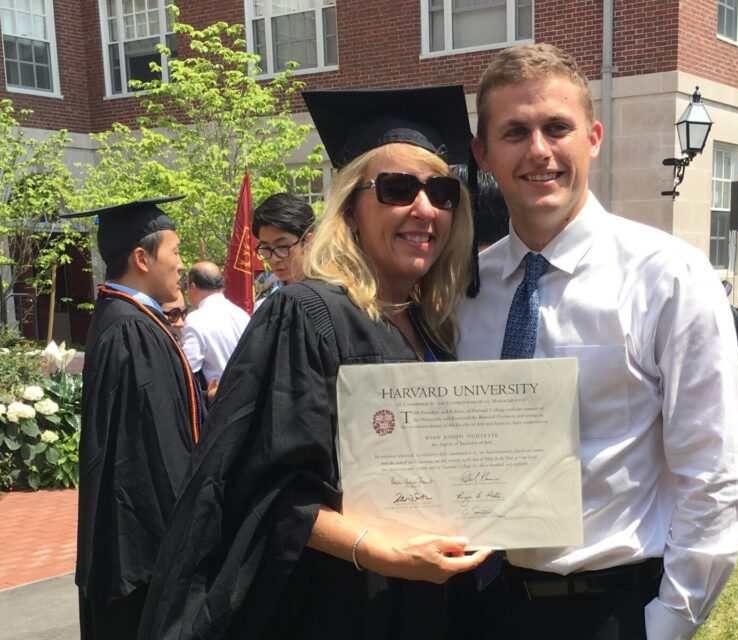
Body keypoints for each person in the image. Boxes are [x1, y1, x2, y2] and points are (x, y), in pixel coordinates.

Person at [138, 85, 490, 640]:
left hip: (428, 599)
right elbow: (261, 485)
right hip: (343, 602)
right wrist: (380, 551)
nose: (424, 208)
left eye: (441, 191)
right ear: (350, 206)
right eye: (397, 189)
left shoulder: (432, 324)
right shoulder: (308, 315)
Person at [455, 44, 738, 640]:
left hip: (609, 610)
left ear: (592, 137)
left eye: (556, 127)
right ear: (482, 154)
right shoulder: (465, 292)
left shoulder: (667, 276)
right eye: (514, 132)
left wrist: (667, 623)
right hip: (480, 608)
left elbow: (715, 475)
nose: (538, 150)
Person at [61, 197, 203, 639]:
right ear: (142, 258)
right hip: (144, 549)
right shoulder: (130, 329)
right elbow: (157, 450)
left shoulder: (126, 318)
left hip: (132, 540)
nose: (182, 265)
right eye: (176, 252)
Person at [180, 261, 251, 390]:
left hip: (220, 398)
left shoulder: (195, 320)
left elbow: (187, 370)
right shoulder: (242, 315)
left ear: (193, 287)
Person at [252, 192, 315, 307]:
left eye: (282, 246)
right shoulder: (264, 307)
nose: (274, 259)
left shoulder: (334, 296)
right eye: (266, 248)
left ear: (308, 242)